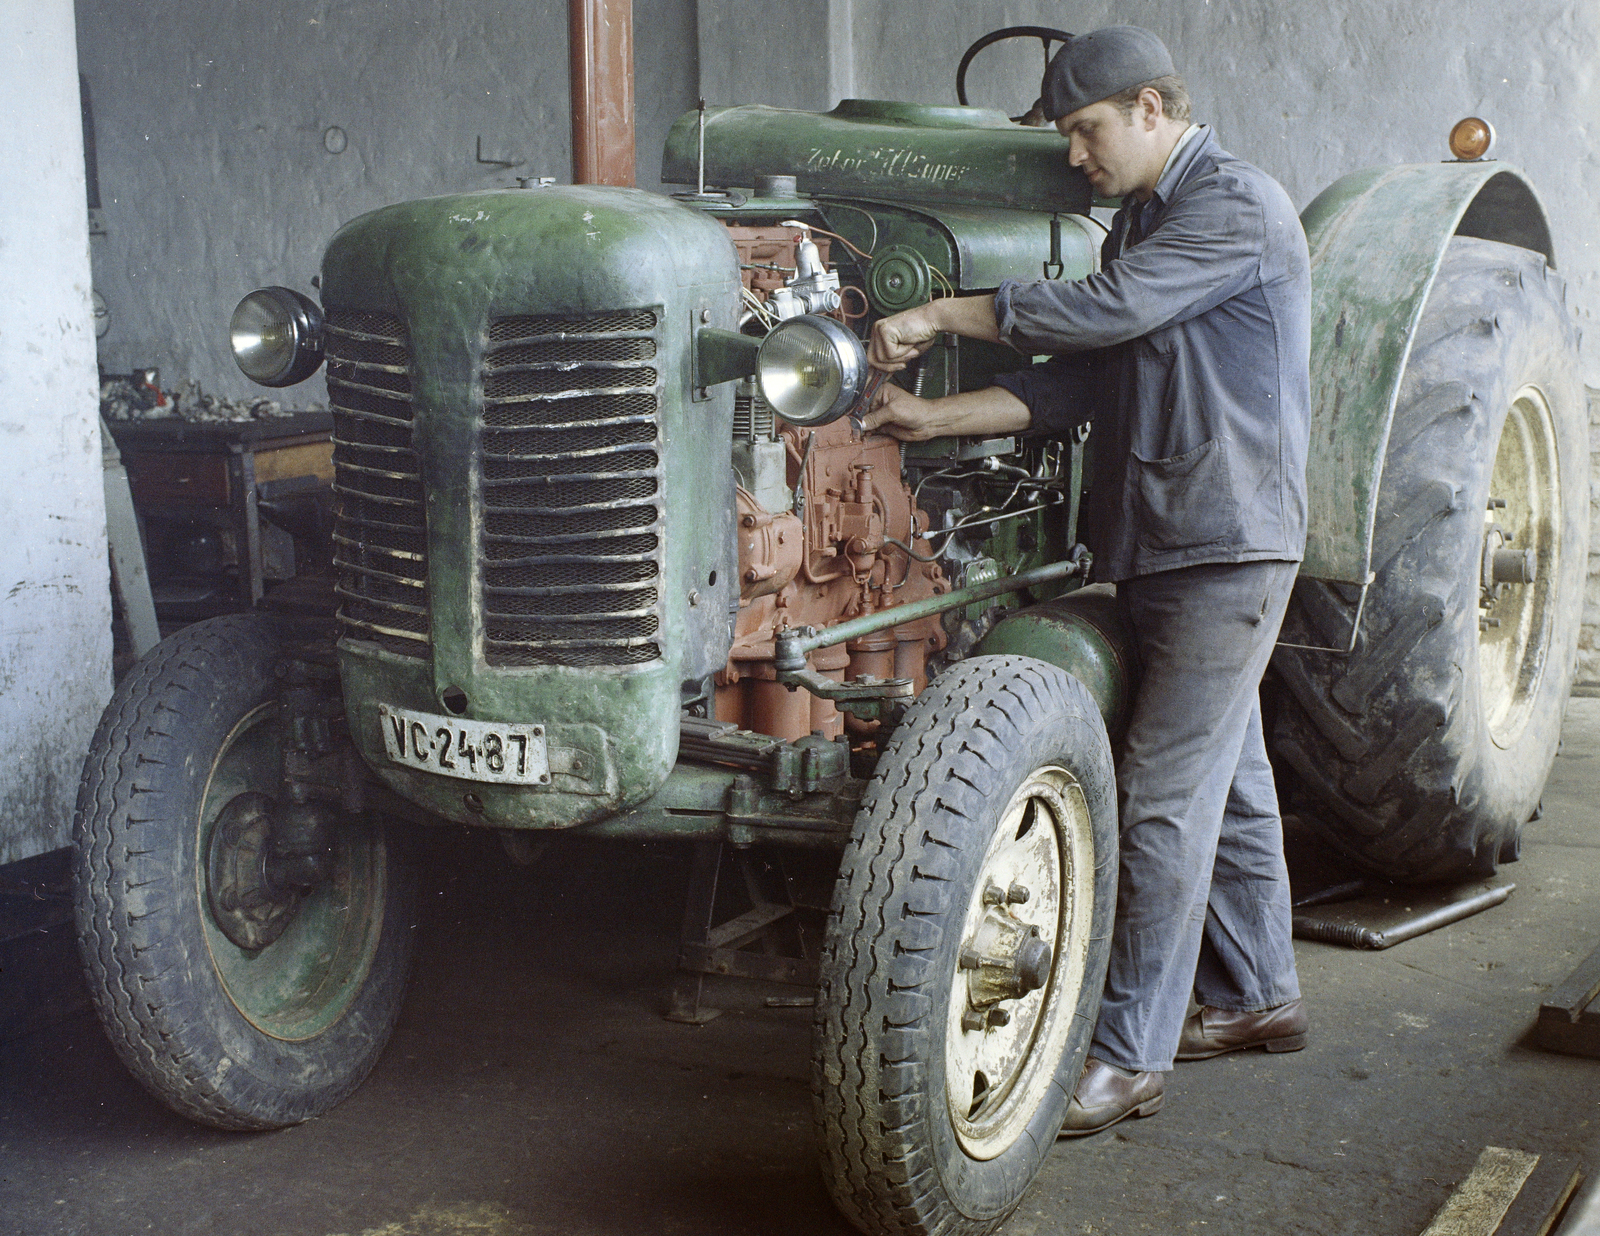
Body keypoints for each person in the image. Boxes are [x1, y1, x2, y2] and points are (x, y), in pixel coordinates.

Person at [862, 25, 1312, 1136]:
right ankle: (1258, 995)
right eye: (1066, 133)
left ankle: (1128, 1053)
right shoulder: (1148, 223)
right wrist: (927, 417)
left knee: (1160, 796)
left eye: (1085, 128)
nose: (1074, 154)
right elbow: (1077, 389)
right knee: (1229, 776)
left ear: (1153, 109)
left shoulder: (1232, 207)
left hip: (1225, 541)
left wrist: (941, 312)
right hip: (1167, 539)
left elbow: (1104, 315)